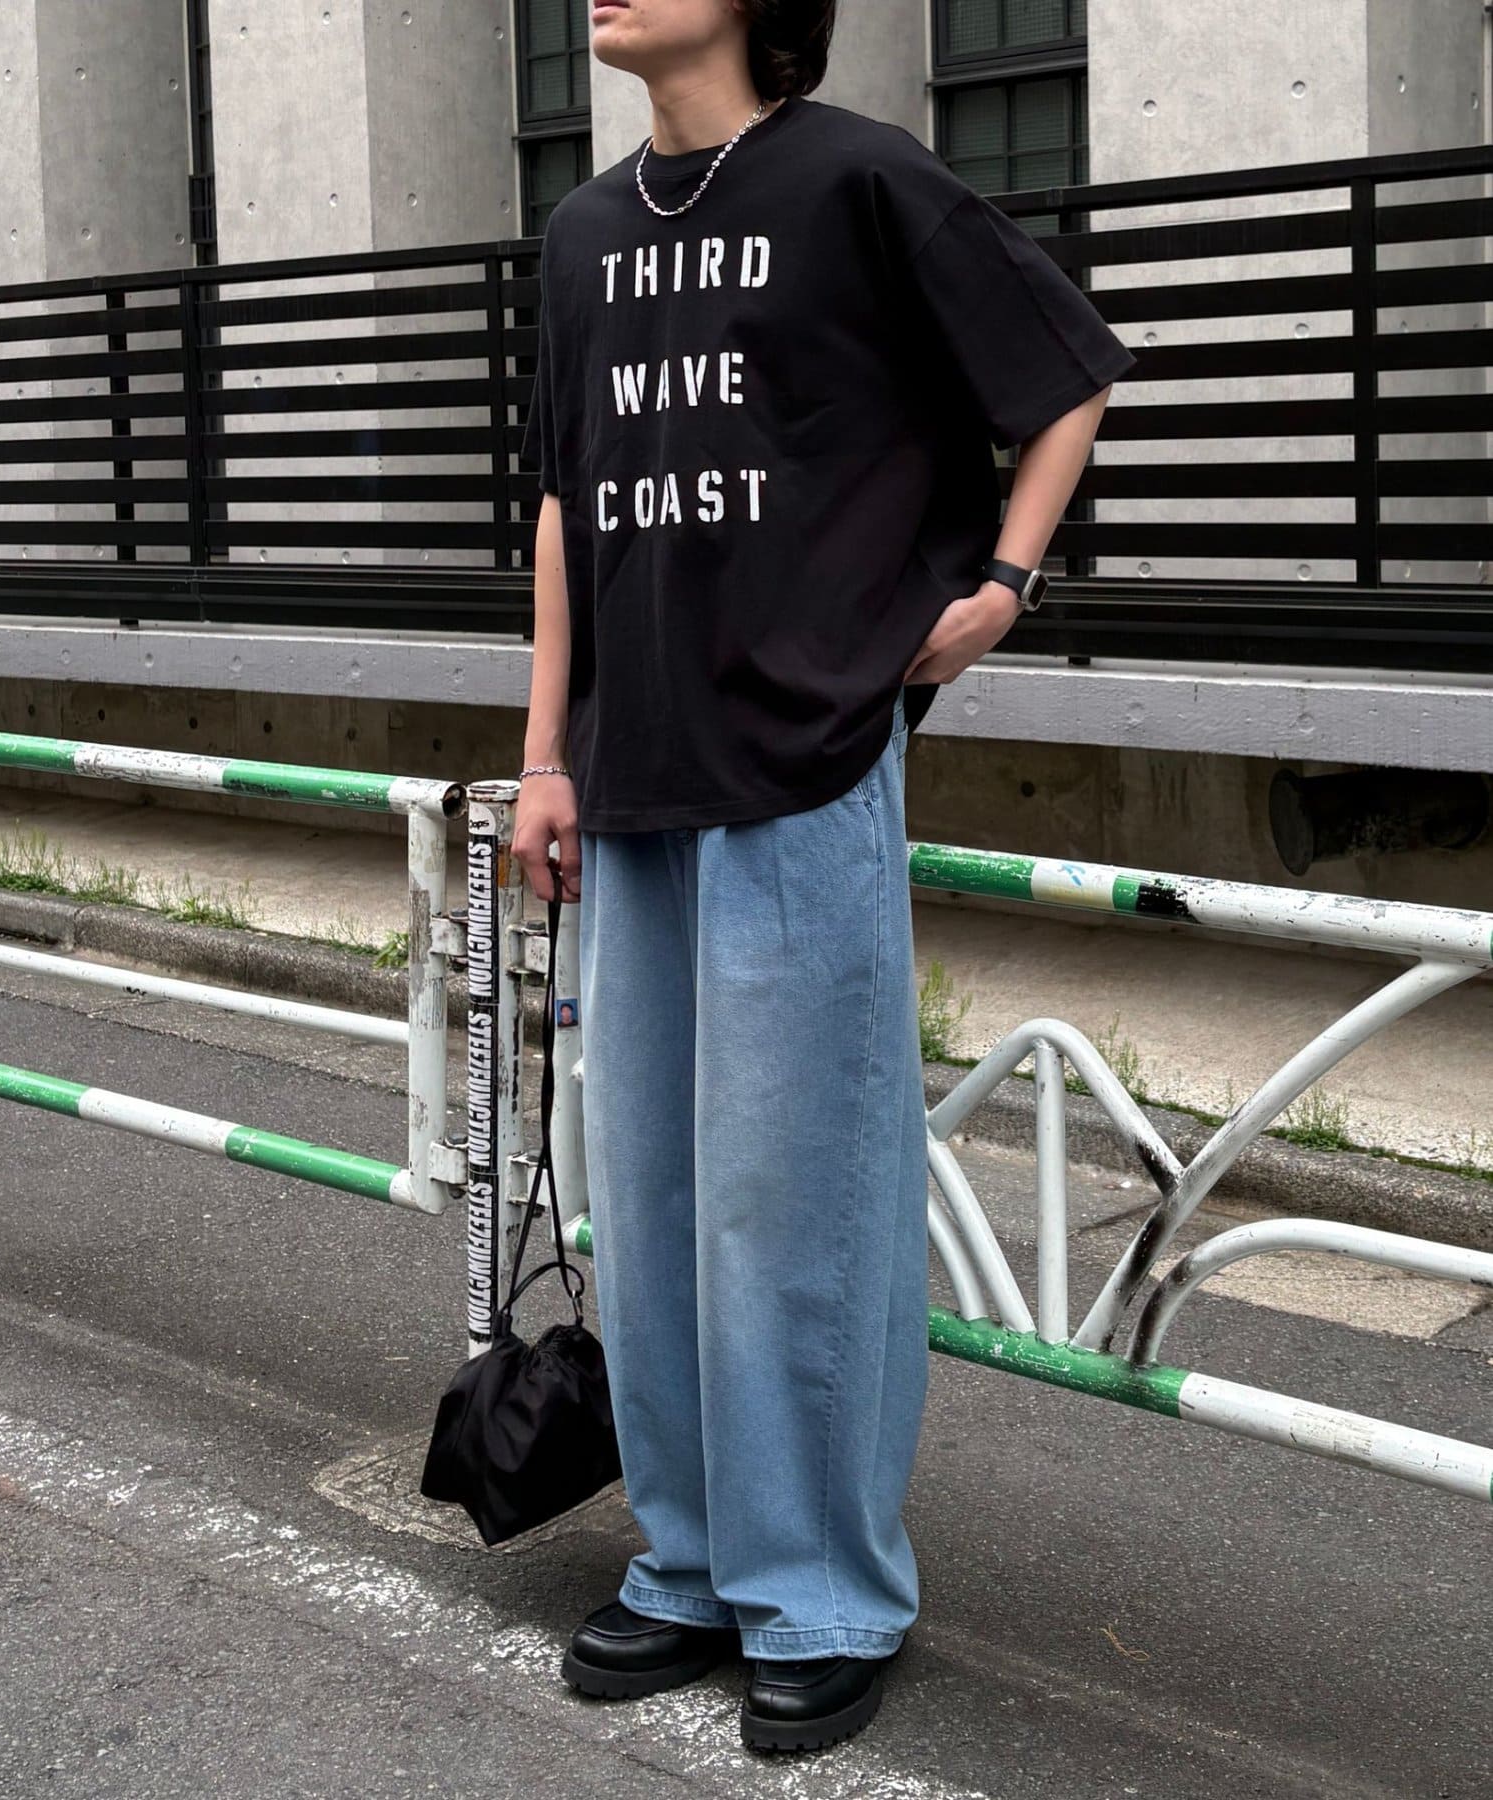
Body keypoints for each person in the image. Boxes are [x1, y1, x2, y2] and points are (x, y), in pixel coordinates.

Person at [510, 0, 1138, 1756]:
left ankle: (823, 1591)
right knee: (650, 1201)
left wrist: (1003, 586)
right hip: (631, 766)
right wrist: (544, 751)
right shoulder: (581, 230)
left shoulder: (859, 178)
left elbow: (1068, 372)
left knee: (795, 1199)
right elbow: (564, 499)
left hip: (805, 755)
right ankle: (691, 1558)